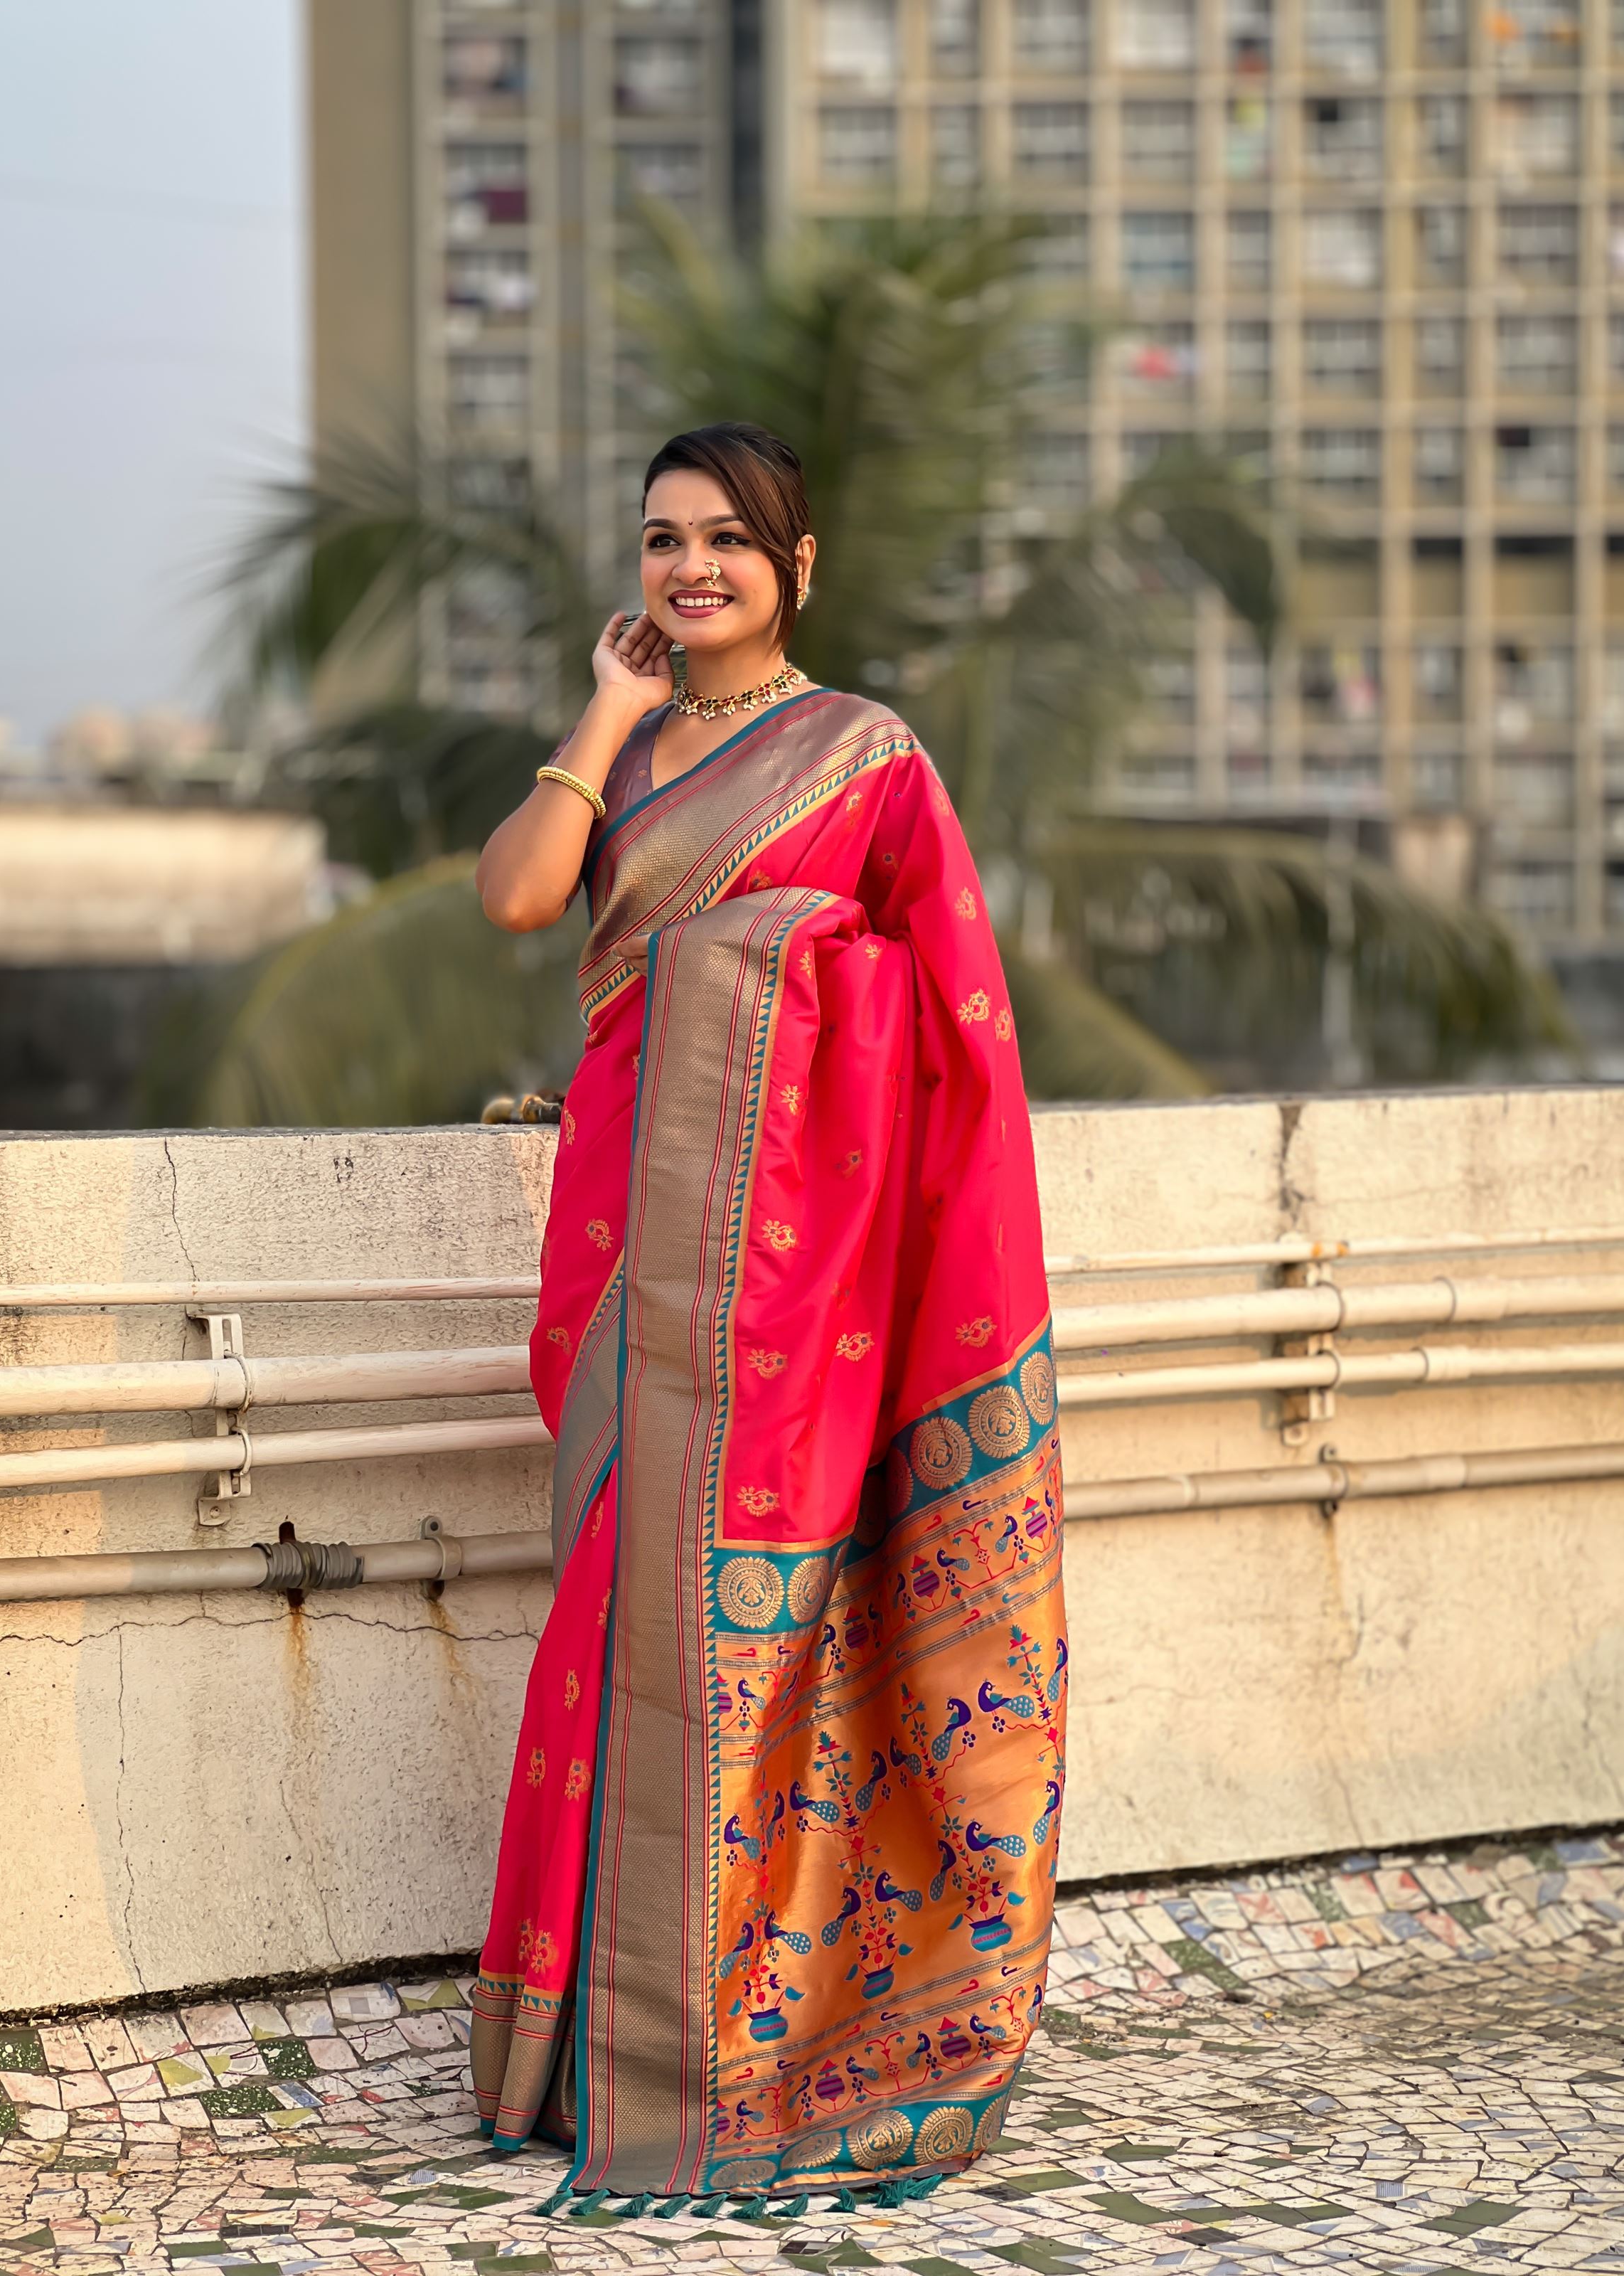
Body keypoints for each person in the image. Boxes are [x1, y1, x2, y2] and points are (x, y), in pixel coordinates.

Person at [470, 421, 1067, 2213]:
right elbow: (514, 895)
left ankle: (736, 2043)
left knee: (755, 1629)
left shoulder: (871, 758)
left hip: (798, 1287)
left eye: (729, 541)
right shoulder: (633, 756)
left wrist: (777, 979)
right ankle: (577, 2058)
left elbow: (942, 1016)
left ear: (797, 568)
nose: (692, 569)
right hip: (620, 1253)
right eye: (662, 542)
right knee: (607, 1622)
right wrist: (597, 714)